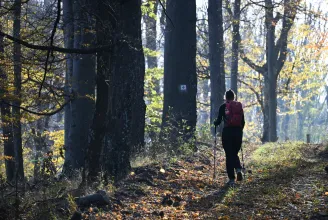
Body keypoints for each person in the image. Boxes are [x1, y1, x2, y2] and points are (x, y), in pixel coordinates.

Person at [214, 89, 245, 186]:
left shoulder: (223, 107)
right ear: (234, 97)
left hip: (227, 132)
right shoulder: (239, 107)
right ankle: (239, 169)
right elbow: (243, 122)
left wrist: (215, 123)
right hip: (237, 132)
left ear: (225, 97)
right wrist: (239, 130)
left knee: (229, 154)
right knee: (234, 153)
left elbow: (218, 121)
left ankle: (231, 179)